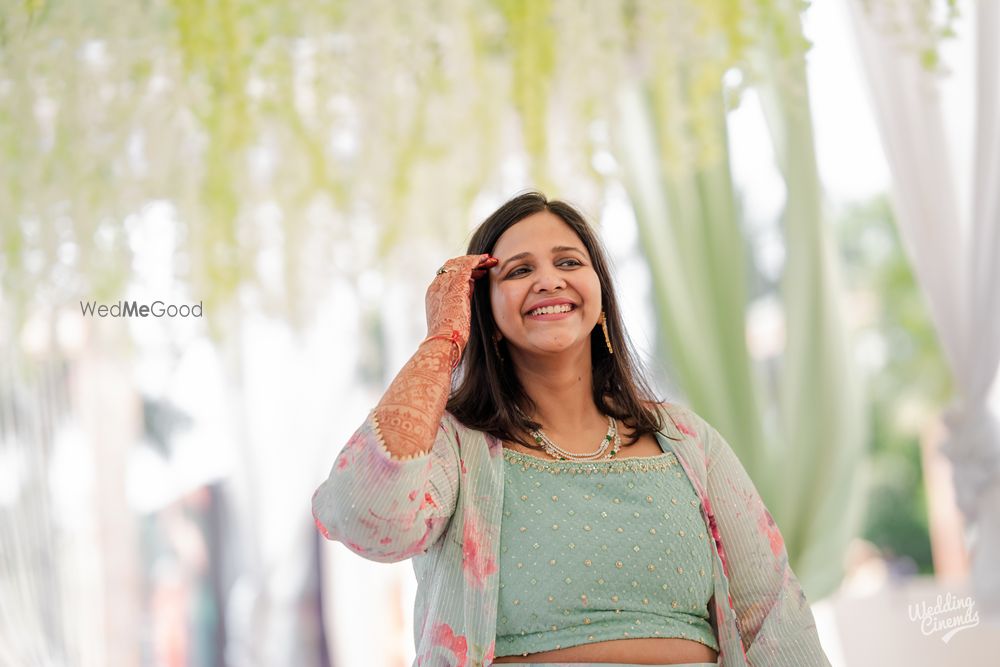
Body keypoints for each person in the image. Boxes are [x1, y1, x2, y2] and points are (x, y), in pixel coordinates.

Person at [312, 192, 831, 666]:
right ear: (484, 312)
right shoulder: (458, 448)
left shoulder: (685, 441)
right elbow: (364, 517)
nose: (549, 280)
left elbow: (774, 619)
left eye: (568, 262)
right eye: (518, 271)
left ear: (600, 294)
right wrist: (442, 339)